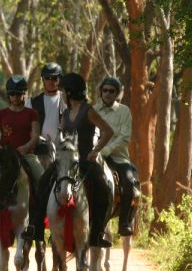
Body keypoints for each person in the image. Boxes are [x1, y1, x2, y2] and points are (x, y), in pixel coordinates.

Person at [27, 72, 114, 248]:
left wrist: (95, 151)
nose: (62, 94)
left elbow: (108, 131)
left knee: (103, 187)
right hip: (66, 159)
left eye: (64, 91)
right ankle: (36, 227)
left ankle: (97, 233)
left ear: (70, 92)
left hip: (85, 159)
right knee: (44, 181)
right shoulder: (66, 113)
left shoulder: (88, 111)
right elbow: (63, 136)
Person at [0, 75, 43, 190]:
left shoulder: (32, 113)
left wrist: (26, 147)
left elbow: (35, 136)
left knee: (43, 180)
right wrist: (0, 150)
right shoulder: (1, 114)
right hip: (3, 157)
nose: (15, 97)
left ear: (24, 94)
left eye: (18, 94)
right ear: (8, 95)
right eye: (12, 94)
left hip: (26, 156)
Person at [95, 76, 139, 236]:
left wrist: (105, 150)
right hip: (95, 157)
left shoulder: (124, 111)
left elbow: (124, 137)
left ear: (117, 93)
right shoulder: (93, 110)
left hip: (118, 158)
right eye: (105, 90)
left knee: (128, 182)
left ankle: (124, 223)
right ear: (101, 91)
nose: (107, 94)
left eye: (111, 91)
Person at [26, 62, 66, 163]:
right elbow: (26, 128)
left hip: (64, 153)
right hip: (39, 153)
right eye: (47, 78)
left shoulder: (68, 101)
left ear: (60, 79)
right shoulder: (31, 102)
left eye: (54, 78)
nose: (50, 81)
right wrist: (37, 139)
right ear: (43, 79)